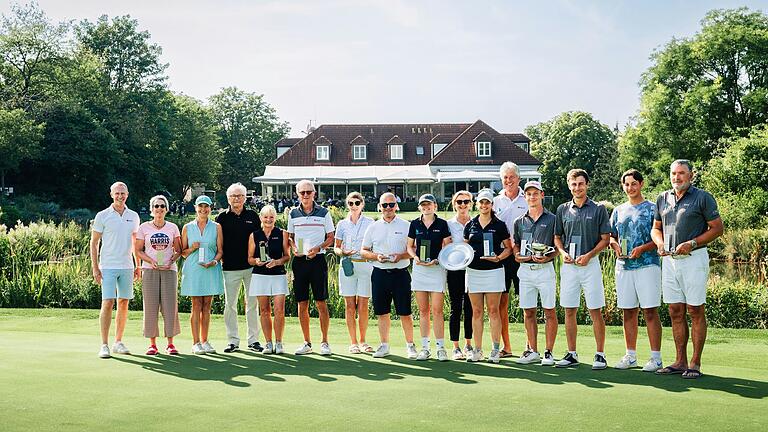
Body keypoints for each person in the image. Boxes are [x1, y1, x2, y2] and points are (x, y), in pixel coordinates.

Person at [651, 160, 723, 379]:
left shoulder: (702, 197)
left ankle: (695, 362)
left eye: (681, 173)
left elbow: (717, 228)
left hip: (693, 258)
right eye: (673, 173)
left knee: (694, 310)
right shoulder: (663, 198)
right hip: (670, 261)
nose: (676, 177)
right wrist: (660, 244)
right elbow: (656, 228)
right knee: (675, 310)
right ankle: (680, 361)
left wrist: (692, 243)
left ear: (691, 175)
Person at [553, 169, 611, 369]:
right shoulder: (562, 209)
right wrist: (562, 253)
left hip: (590, 264)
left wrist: (589, 255)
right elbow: (557, 237)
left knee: (595, 310)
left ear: (587, 184)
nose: (577, 187)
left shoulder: (598, 209)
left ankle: (600, 354)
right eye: (573, 184)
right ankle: (571, 353)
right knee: (569, 310)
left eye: (580, 183)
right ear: (569, 185)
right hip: (569, 266)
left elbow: (605, 240)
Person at [609, 169, 664, 372]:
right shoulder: (618, 210)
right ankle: (630, 355)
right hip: (623, 267)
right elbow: (611, 235)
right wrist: (614, 246)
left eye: (634, 184)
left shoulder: (652, 208)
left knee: (650, 311)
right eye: (626, 184)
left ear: (641, 184)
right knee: (628, 311)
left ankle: (656, 357)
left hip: (648, 265)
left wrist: (642, 249)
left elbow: (660, 235)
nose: (630, 188)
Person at [360, 192, 417, 359]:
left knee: (405, 312)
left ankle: (410, 345)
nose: (388, 208)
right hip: (379, 274)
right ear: (380, 207)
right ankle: (384, 346)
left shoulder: (407, 225)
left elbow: (413, 249)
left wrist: (401, 256)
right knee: (382, 312)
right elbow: (364, 251)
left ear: (396, 206)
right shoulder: (373, 227)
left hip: (400, 274)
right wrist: (376, 256)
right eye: (384, 205)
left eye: (391, 205)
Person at [90, 182, 140, 358]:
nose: (120, 196)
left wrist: (137, 265)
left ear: (127, 194)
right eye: (117, 193)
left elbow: (135, 242)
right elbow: (94, 243)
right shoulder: (102, 216)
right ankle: (104, 344)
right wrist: (95, 268)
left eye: (123, 193)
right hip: (108, 266)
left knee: (124, 303)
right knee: (108, 302)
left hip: (127, 266)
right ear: (111, 194)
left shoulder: (133, 216)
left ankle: (118, 341)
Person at [513, 181, 559, 366]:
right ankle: (533, 350)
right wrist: (517, 255)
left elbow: (558, 245)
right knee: (528, 312)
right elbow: (516, 243)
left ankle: (548, 352)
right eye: (528, 194)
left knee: (549, 311)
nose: (532, 197)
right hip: (525, 271)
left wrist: (549, 257)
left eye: (535, 193)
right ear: (525, 197)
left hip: (545, 270)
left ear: (542, 194)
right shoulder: (519, 221)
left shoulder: (553, 219)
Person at [464, 188, 513, 363]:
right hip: (474, 272)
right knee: (476, 312)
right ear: (477, 205)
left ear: (492, 205)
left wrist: (498, 257)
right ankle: (477, 350)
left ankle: (494, 349)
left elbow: (509, 248)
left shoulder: (499, 225)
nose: (484, 205)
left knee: (493, 311)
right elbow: (465, 248)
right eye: (481, 202)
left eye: (487, 202)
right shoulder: (470, 225)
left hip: (494, 272)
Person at [287, 180, 335, 355]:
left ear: (314, 193)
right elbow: (291, 237)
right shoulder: (293, 213)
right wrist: (293, 248)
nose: (305, 195)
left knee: (321, 302)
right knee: (302, 303)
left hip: (318, 260)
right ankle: (307, 342)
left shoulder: (324, 212)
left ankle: (324, 342)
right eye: (302, 193)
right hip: (300, 262)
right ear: (297, 194)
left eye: (309, 192)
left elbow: (331, 237)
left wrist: (319, 248)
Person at [216, 183, 263, 353]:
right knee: (230, 305)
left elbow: (260, 240)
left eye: (239, 195)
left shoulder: (253, 216)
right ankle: (233, 341)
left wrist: (261, 260)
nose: (236, 198)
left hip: (251, 267)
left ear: (244, 198)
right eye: (233, 196)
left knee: (252, 304)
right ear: (228, 198)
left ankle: (253, 340)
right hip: (229, 267)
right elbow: (218, 244)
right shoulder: (221, 218)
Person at [407, 193, 452, 361]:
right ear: (420, 207)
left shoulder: (442, 224)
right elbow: (410, 246)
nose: (426, 207)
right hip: (420, 269)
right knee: (423, 311)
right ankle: (425, 348)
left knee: (437, 310)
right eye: (423, 205)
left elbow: (447, 246)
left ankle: (441, 348)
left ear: (435, 206)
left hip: (437, 268)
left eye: (429, 205)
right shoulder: (414, 224)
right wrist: (415, 257)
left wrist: (438, 259)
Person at [135, 195, 182, 356]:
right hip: (150, 270)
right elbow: (138, 251)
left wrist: (171, 260)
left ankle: (170, 344)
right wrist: (150, 261)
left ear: (166, 209)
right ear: (151, 209)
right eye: (156, 206)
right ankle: (152, 344)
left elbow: (179, 250)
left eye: (162, 206)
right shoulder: (144, 228)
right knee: (150, 306)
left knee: (170, 306)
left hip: (169, 270)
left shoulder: (173, 227)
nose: (159, 209)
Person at [180, 195, 225, 355]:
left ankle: (205, 341)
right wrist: (192, 248)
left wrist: (214, 261)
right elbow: (182, 253)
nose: (203, 210)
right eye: (200, 206)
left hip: (210, 269)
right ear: (195, 208)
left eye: (206, 207)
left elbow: (220, 251)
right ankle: (196, 342)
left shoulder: (216, 227)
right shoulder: (187, 227)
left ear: (210, 208)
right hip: (194, 269)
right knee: (196, 305)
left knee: (207, 306)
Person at [493, 161, 528, 357]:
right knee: (501, 303)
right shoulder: (496, 202)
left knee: (526, 303)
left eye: (511, 177)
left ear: (518, 179)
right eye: (505, 177)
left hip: (524, 255)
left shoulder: (528, 198)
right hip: (503, 256)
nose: (508, 181)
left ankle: (529, 347)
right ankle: (506, 347)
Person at [334, 192, 375, 354]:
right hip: (347, 266)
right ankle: (353, 342)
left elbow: (374, 245)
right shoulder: (342, 224)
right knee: (350, 306)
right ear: (347, 204)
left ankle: (363, 341)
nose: (354, 206)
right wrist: (342, 252)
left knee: (363, 305)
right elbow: (336, 247)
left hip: (365, 265)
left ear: (362, 204)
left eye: (357, 203)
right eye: (350, 203)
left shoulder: (371, 222)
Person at [248, 205, 291, 354]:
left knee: (279, 310)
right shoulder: (254, 235)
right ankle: (268, 343)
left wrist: (277, 262)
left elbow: (287, 256)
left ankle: (279, 342)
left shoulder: (282, 233)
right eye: (265, 217)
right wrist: (257, 262)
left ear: (275, 218)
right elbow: (249, 259)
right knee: (265, 310)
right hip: (260, 275)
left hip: (278, 275)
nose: (268, 220)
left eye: (271, 217)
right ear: (261, 218)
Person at [446, 190, 474, 360]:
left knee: (470, 309)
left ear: (471, 204)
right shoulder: (448, 224)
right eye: (459, 202)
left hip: (472, 271)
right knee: (456, 308)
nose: (462, 205)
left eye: (466, 201)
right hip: (454, 270)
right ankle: (455, 347)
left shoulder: (476, 222)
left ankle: (468, 344)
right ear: (454, 204)